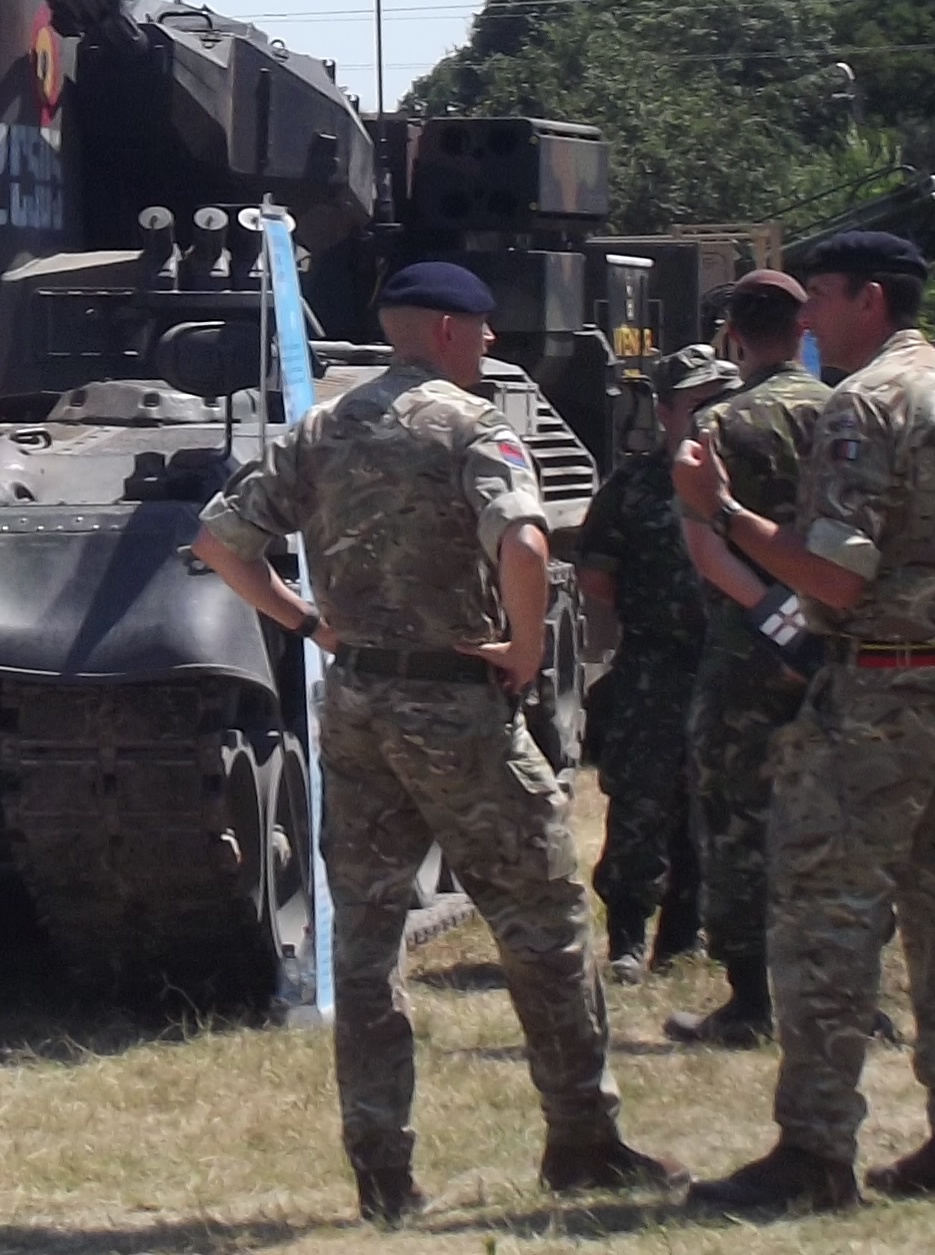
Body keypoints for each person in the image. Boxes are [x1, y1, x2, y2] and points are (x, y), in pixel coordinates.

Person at [190, 260, 681, 1221]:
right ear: (450, 330)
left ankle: (383, 1174)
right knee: (544, 918)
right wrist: (528, 648)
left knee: (366, 942)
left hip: (358, 705)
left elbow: (219, 543)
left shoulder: (320, 429)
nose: (491, 341)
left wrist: (311, 627)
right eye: (483, 327)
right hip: (458, 706)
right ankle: (582, 1142)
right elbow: (526, 542)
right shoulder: (473, 425)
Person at [674, 230, 935, 1215]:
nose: (809, 316)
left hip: (880, 691)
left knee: (825, 912)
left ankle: (815, 1151)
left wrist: (722, 509)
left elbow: (833, 574)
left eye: (820, 295)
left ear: (869, 299)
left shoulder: (864, 403)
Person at [667, 268, 832, 1051]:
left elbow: (708, 550)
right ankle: (846, 991)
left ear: (732, 336)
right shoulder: (845, 412)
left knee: (736, 816)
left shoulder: (716, 425)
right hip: (841, 643)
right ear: (804, 329)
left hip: (747, 648)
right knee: (838, 817)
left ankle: (750, 1000)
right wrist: (817, 628)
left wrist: (779, 624)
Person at [577, 342, 726, 983]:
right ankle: (628, 936)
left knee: (711, 802)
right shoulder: (635, 486)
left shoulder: (741, 483)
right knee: (641, 800)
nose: (711, 414)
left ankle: (685, 934)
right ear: (665, 411)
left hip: (725, 664)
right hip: (654, 666)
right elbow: (595, 574)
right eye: (698, 402)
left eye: (722, 400)